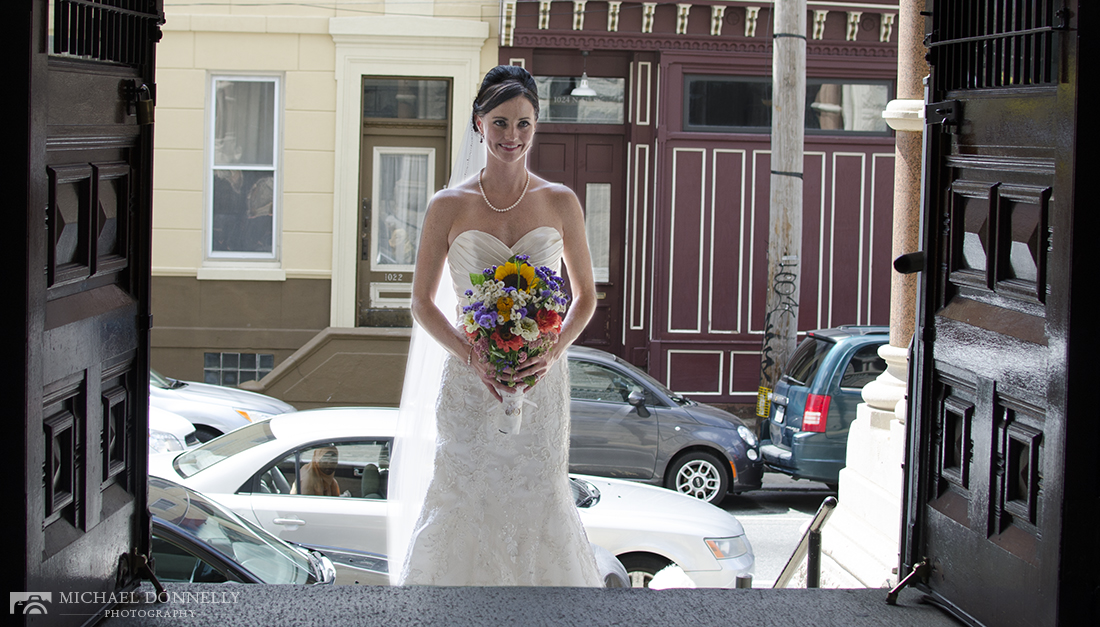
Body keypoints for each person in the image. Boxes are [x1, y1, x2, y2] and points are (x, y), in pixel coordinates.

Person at [390, 65, 602, 586]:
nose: (513, 136)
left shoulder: (560, 202)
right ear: (479, 124)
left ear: (536, 126)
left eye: (524, 124)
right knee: (464, 494)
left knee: (540, 496)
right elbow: (421, 303)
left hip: (540, 380)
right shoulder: (447, 206)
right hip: (470, 384)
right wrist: (473, 356)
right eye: (501, 123)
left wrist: (550, 353)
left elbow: (586, 298)